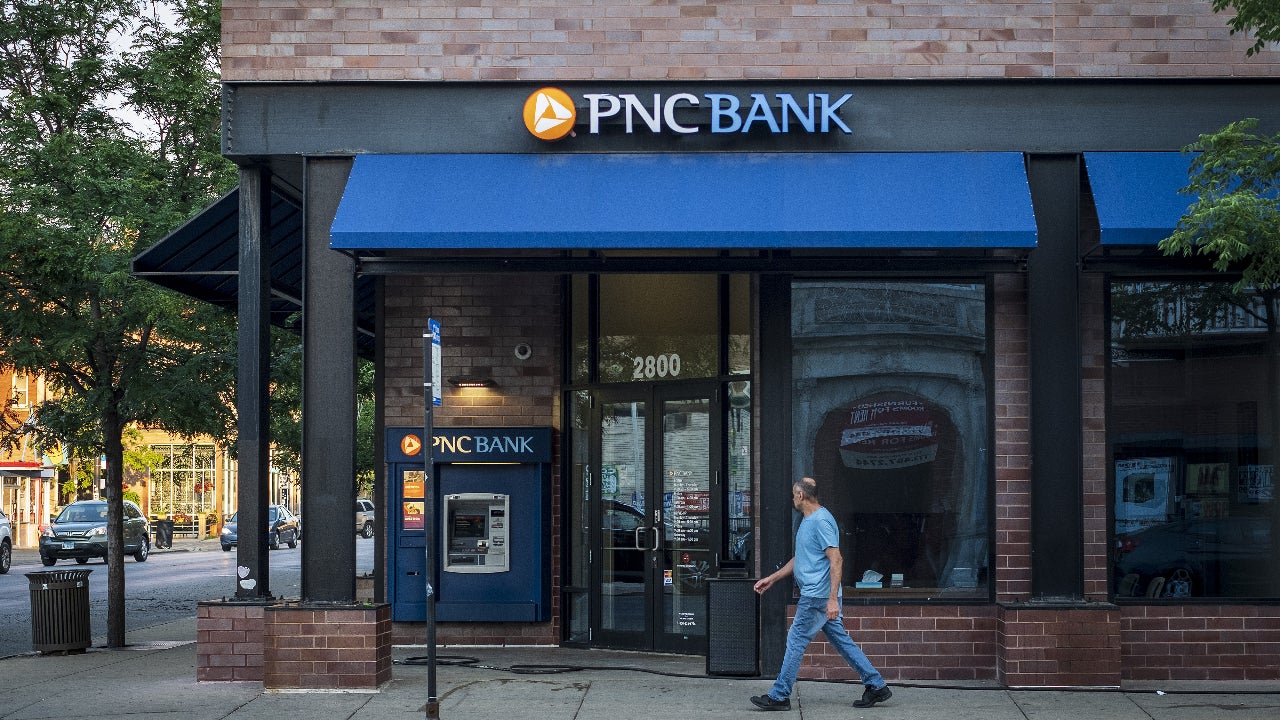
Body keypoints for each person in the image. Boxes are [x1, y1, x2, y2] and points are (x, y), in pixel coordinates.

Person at [750, 477, 893, 711]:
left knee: (795, 641)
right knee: (842, 641)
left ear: (801, 495)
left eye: (793, 494)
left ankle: (779, 695)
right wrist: (772, 579)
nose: (792, 498)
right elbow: (801, 559)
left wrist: (832, 599)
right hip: (818, 595)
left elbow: (836, 560)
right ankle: (876, 685)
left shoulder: (821, 521)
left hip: (817, 596)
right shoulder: (808, 521)